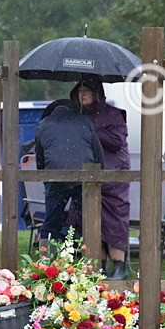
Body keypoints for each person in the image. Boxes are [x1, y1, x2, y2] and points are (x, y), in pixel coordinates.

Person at [70, 77, 131, 279]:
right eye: (80, 90)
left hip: (114, 176)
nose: (83, 94)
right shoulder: (76, 116)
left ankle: (119, 266)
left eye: (87, 90)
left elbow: (116, 141)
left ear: (97, 93)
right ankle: (100, 266)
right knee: (90, 220)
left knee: (114, 222)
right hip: (87, 175)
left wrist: (92, 131)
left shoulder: (113, 115)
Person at [33, 99, 104, 246]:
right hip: (84, 177)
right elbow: (98, 152)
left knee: (52, 220)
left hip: (55, 177)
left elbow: (40, 157)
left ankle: (46, 262)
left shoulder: (43, 125)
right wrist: (99, 176)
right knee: (88, 220)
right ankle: (92, 260)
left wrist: (45, 178)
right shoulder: (84, 121)